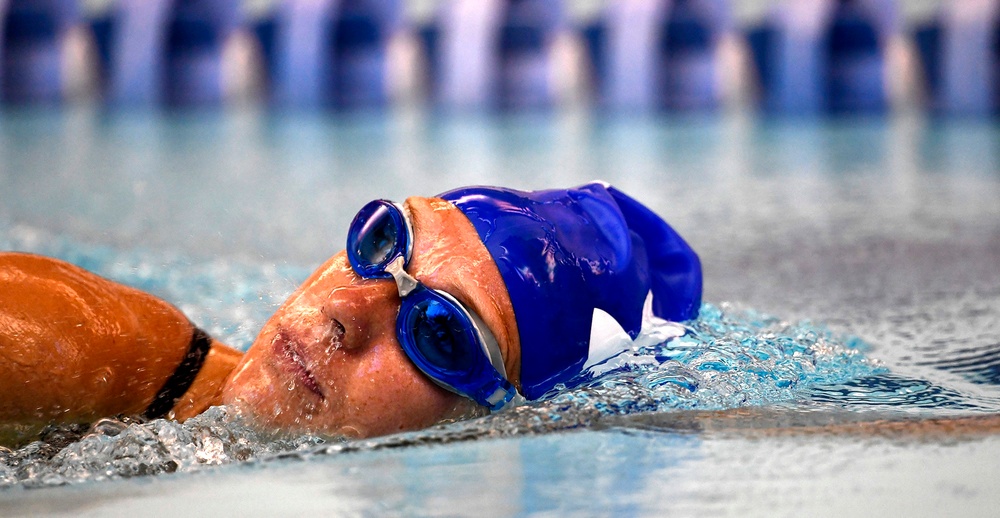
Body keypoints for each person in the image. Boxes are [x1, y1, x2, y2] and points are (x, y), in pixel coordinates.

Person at [0, 182, 701, 443]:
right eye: (382, 242)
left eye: (438, 330)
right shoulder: (71, 349)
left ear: (510, 423)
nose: (342, 309)